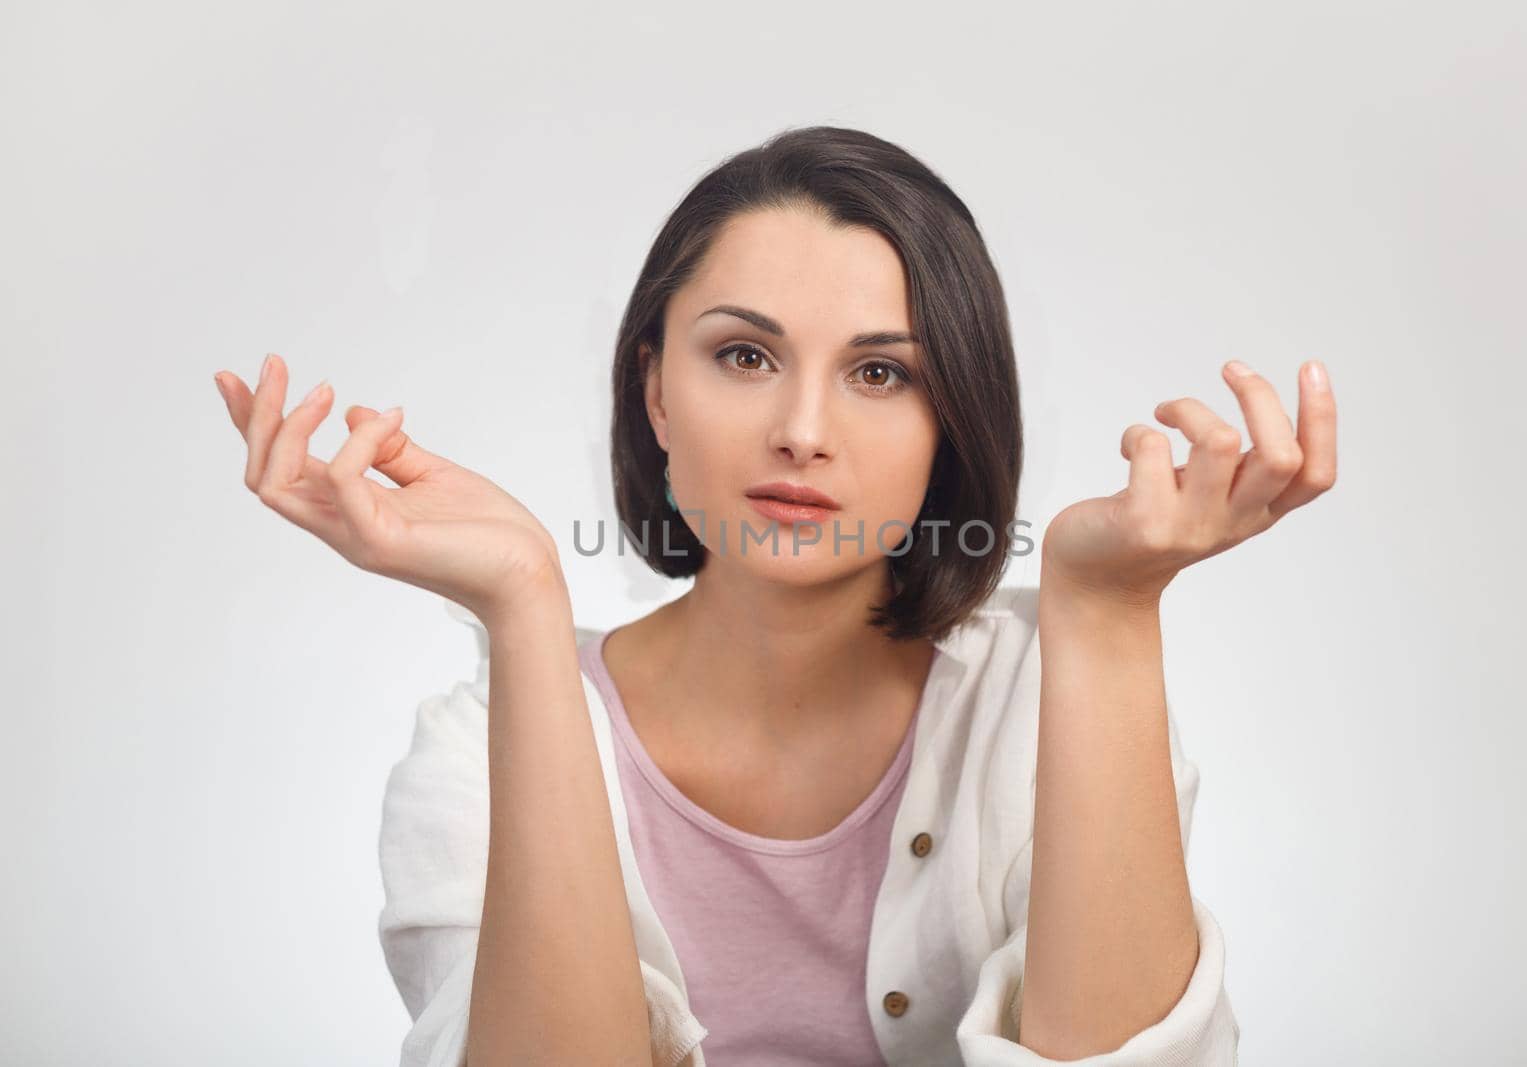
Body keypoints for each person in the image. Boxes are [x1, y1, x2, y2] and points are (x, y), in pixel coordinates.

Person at [213, 126, 1335, 1066]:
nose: (801, 428)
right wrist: (523, 609)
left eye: (880, 372)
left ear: (952, 424)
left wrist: (1107, 612)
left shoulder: (1049, 695)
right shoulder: (473, 751)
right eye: (744, 356)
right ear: (654, 388)